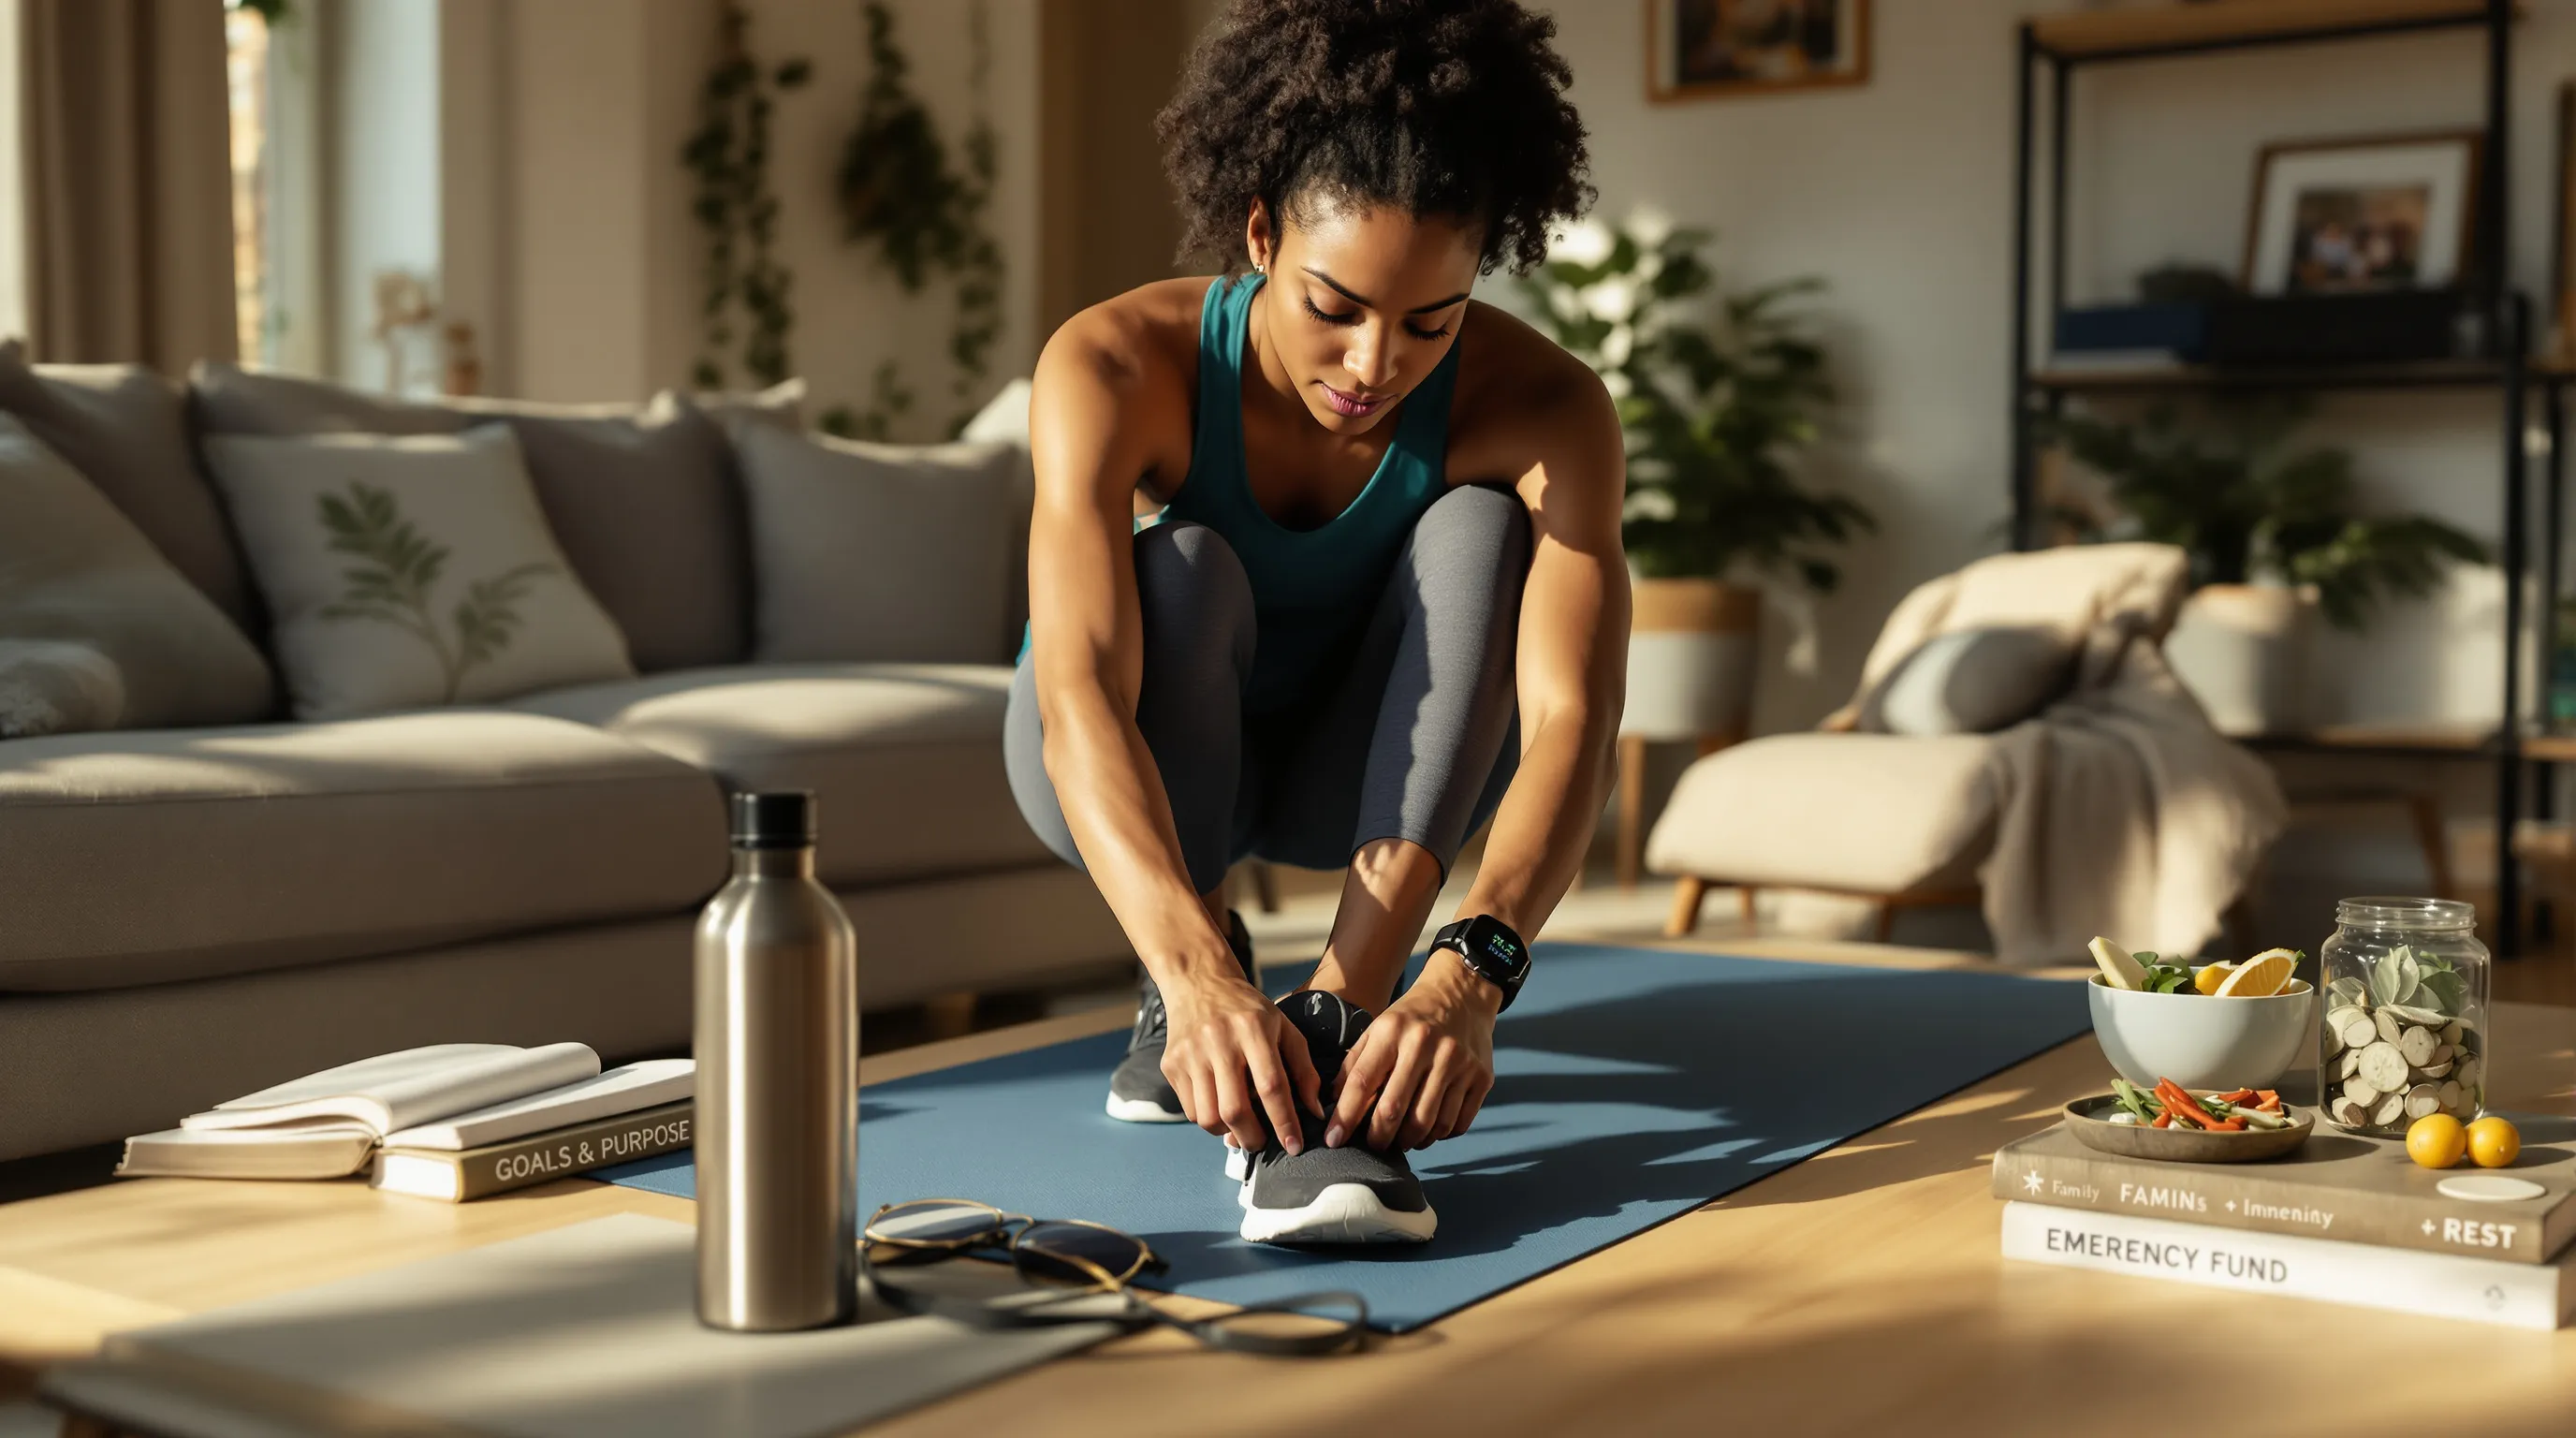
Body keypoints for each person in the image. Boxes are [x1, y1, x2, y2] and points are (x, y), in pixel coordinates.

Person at [1003, 0, 1625, 1246]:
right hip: (1130, 767)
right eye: (1332, 306)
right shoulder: (1114, 362)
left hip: (1361, 783)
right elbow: (1079, 693)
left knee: (1480, 531)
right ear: (1259, 234)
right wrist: (1194, 973)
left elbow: (1572, 718)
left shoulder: (1548, 408)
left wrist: (1469, 975)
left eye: (1430, 323)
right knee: (1186, 565)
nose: (1374, 363)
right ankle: (1199, 962)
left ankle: (1343, 1006)